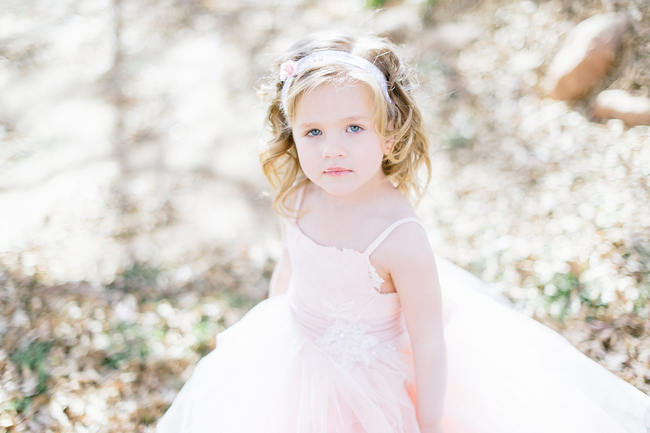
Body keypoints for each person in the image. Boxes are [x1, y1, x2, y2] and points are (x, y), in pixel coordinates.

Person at [155, 30, 650, 433]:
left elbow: (429, 341)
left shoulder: (398, 237)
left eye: (353, 128)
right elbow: (290, 268)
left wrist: (428, 425)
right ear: (293, 136)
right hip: (297, 353)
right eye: (314, 132)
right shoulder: (298, 195)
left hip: (375, 384)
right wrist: (261, 330)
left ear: (388, 135)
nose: (332, 150)